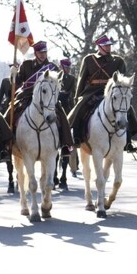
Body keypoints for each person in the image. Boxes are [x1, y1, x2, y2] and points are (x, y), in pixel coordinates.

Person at [67, 35, 137, 151]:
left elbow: (121, 80)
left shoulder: (118, 61)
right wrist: (78, 97)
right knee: (80, 109)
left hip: (112, 92)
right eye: (106, 46)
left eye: (109, 45)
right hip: (92, 91)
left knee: (126, 108)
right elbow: (81, 79)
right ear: (99, 47)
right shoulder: (89, 59)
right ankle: (75, 137)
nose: (108, 47)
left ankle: (128, 141)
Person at [8, 41, 74, 156]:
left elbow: (58, 84)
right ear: (35, 53)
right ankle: (6, 143)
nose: (43, 54)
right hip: (27, 96)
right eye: (40, 52)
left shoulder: (53, 67)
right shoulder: (27, 65)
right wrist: (13, 74)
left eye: (44, 52)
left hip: (47, 98)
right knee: (10, 112)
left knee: (62, 115)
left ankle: (66, 144)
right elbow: (17, 82)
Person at [54, 57, 77, 189]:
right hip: (54, 106)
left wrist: (73, 111)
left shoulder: (72, 79)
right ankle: (53, 175)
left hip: (66, 108)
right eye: (66, 67)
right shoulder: (54, 75)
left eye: (69, 67)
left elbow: (74, 95)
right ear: (61, 66)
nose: (68, 69)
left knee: (69, 135)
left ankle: (63, 175)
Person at [0, 68, 16, 194]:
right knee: (0, 125)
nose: (15, 70)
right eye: (13, 68)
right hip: (8, 107)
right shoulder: (5, 81)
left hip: (21, 103)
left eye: (17, 67)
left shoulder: (25, 80)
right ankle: (2, 148)